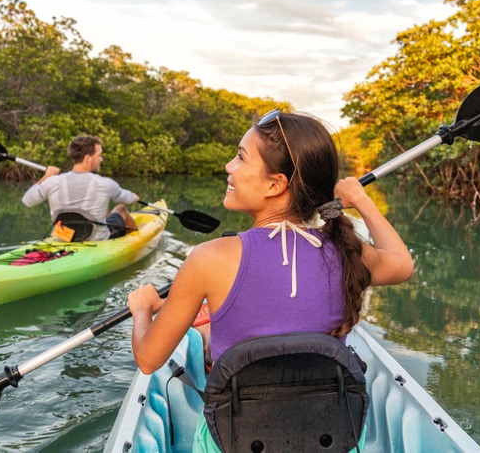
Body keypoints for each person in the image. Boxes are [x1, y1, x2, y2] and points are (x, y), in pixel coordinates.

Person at [127, 109, 414, 449]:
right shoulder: (347, 251)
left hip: (238, 441)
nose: (228, 167)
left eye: (240, 158)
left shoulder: (208, 258)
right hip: (330, 439)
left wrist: (143, 309)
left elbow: (148, 359)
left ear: (276, 184)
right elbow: (403, 264)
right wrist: (361, 201)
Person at [21, 135, 139, 240]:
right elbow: (127, 199)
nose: (101, 159)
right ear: (88, 158)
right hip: (96, 238)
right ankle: (138, 237)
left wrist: (46, 177)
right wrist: (135, 197)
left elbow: (27, 201)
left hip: (63, 237)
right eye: (99, 155)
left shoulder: (52, 181)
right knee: (121, 209)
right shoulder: (105, 184)